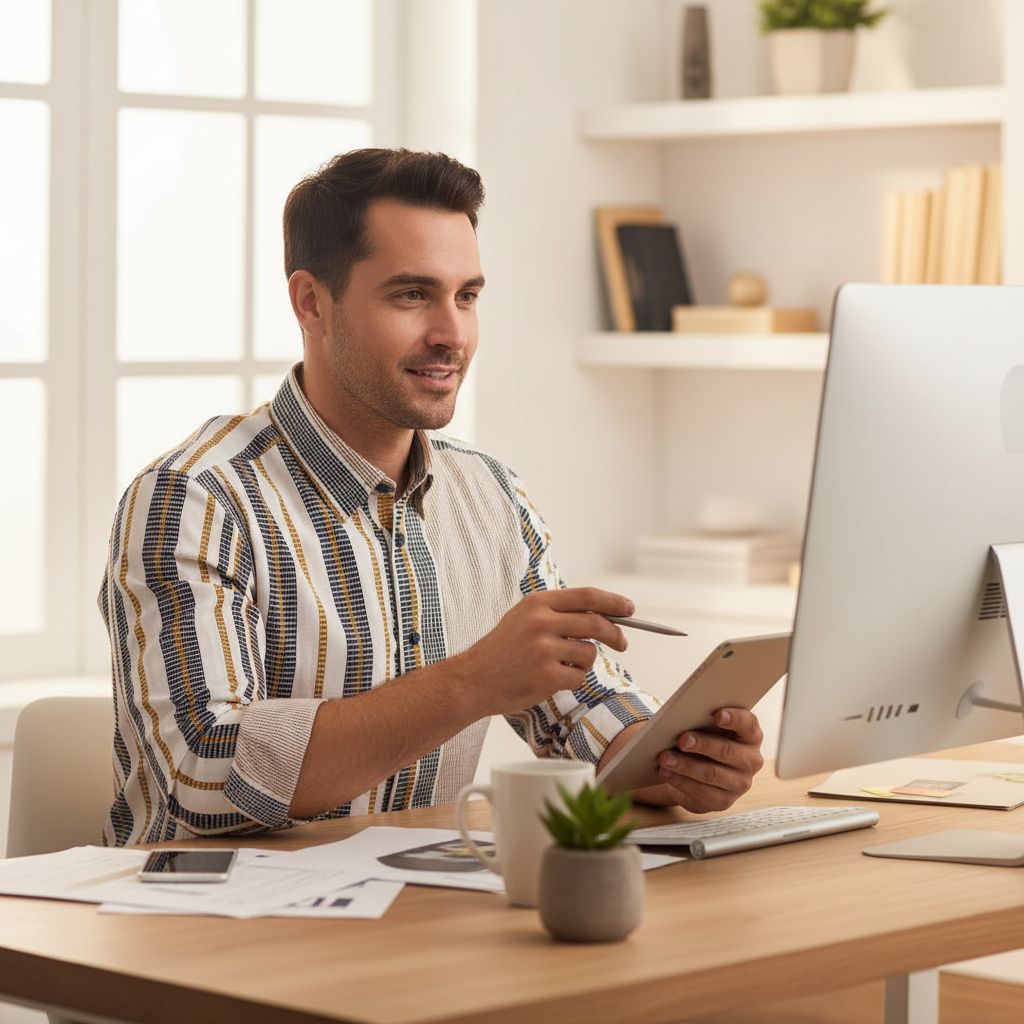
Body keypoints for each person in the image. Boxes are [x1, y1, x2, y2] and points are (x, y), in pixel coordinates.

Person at [99, 148, 764, 846]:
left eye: (466, 296)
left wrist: (682, 761)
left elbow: (583, 713)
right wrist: (472, 683)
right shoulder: (195, 499)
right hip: (212, 911)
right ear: (311, 303)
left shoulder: (491, 494)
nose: (452, 336)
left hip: (419, 900)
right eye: (412, 295)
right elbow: (203, 774)